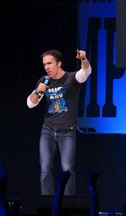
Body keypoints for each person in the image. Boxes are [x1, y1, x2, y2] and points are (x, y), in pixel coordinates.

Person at [26, 49, 92, 195]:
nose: (46, 67)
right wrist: (38, 91)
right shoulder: (44, 81)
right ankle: (48, 204)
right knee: (45, 168)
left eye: (49, 63)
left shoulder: (71, 78)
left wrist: (84, 59)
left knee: (67, 168)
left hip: (67, 132)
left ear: (59, 63)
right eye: (44, 64)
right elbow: (30, 104)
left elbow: (86, 71)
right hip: (48, 131)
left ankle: (68, 204)